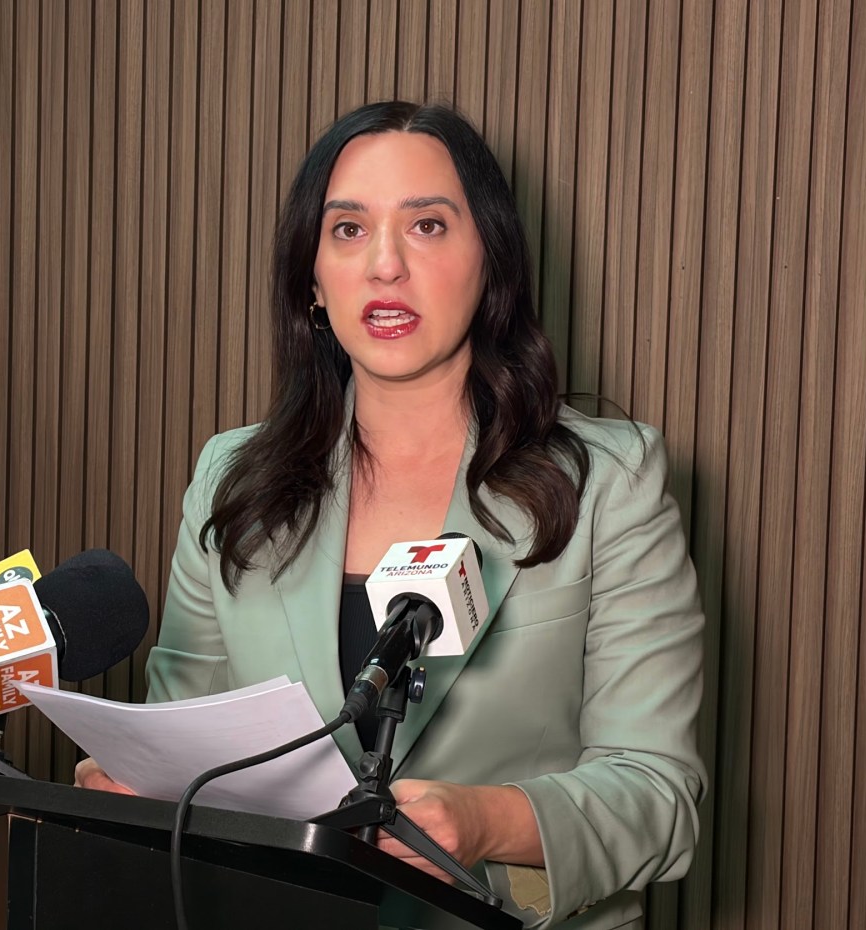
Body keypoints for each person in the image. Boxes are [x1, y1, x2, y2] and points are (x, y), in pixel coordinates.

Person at [76, 100, 705, 929]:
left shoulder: (609, 481)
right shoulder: (232, 481)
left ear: (492, 260)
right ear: (312, 279)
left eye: (427, 227)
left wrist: (485, 821)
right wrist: (139, 783)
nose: (385, 266)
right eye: (348, 230)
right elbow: (183, 739)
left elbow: (659, 796)